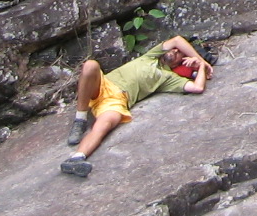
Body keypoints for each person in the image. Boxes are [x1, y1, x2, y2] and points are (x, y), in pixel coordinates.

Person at [60, 36, 212, 177]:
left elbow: (197, 88)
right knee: (90, 65)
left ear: (182, 62)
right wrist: (202, 60)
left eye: (179, 54)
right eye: (174, 50)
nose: (175, 51)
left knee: (104, 126)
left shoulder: (170, 78)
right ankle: (80, 119)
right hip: (103, 84)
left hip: (116, 102)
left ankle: (76, 159)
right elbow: (177, 40)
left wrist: (200, 67)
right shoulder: (151, 56)